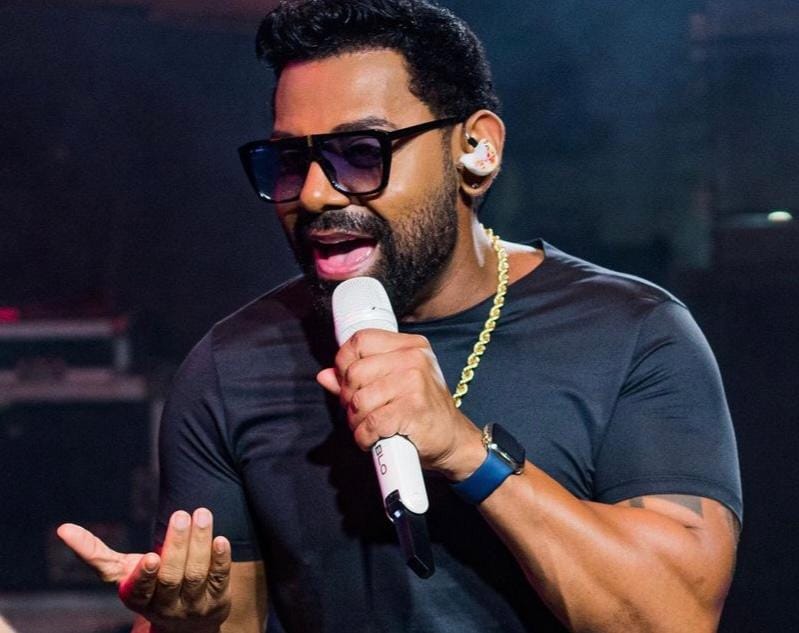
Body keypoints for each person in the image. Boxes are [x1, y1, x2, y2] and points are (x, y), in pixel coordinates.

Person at [58, 1, 742, 631]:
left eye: (361, 154)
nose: (316, 194)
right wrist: (189, 623)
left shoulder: (631, 333)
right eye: (290, 161)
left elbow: (675, 617)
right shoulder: (228, 368)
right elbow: (222, 618)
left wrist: (467, 452)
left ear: (476, 150)